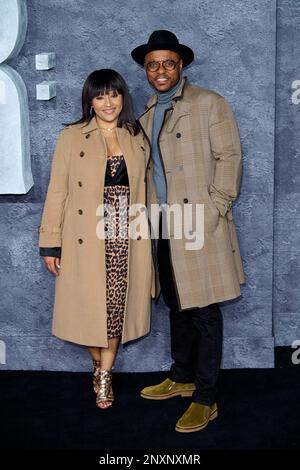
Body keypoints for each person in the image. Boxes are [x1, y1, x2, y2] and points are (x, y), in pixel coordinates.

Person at [131, 30, 245, 432]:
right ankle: (181, 377)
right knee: (177, 305)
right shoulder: (145, 112)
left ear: (181, 66)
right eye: (153, 65)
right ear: (146, 70)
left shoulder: (208, 103)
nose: (161, 71)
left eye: (169, 63)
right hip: (163, 224)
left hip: (199, 222)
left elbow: (229, 156)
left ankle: (206, 397)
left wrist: (216, 207)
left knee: (205, 310)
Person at [38, 69, 153, 409]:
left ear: (122, 98)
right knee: (89, 309)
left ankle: (104, 372)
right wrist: (50, 242)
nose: (108, 102)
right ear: (90, 100)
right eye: (100, 96)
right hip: (84, 238)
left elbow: (149, 189)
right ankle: (99, 364)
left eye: (114, 95)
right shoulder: (72, 137)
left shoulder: (136, 134)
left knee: (116, 310)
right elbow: (57, 192)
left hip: (126, 235)